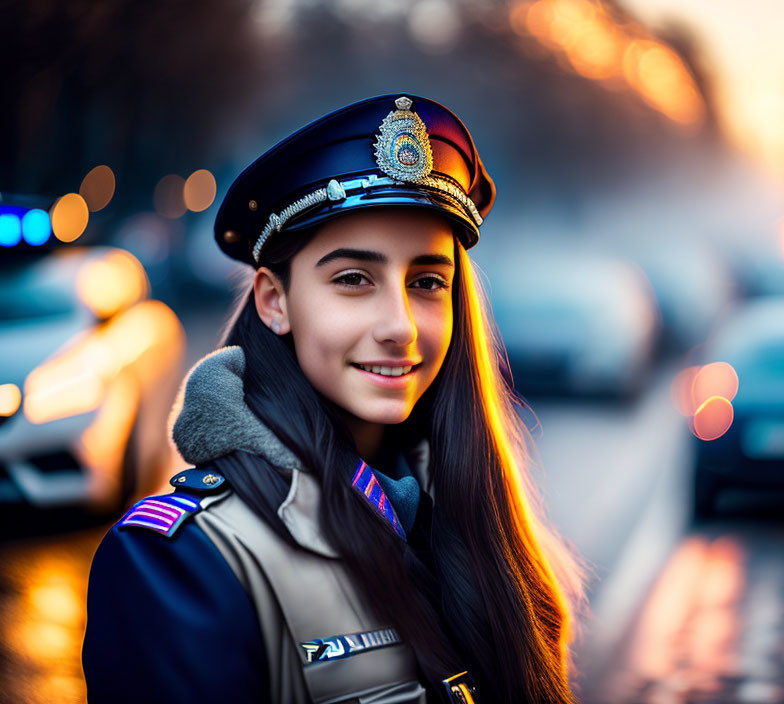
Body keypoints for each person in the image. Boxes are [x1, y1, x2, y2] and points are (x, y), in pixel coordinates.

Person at [82, 94, 584, 703]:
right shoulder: (182, 564)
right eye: (353, 279)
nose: (399, 324)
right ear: (274, 301)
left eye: (427, 282)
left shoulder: (473, 518)